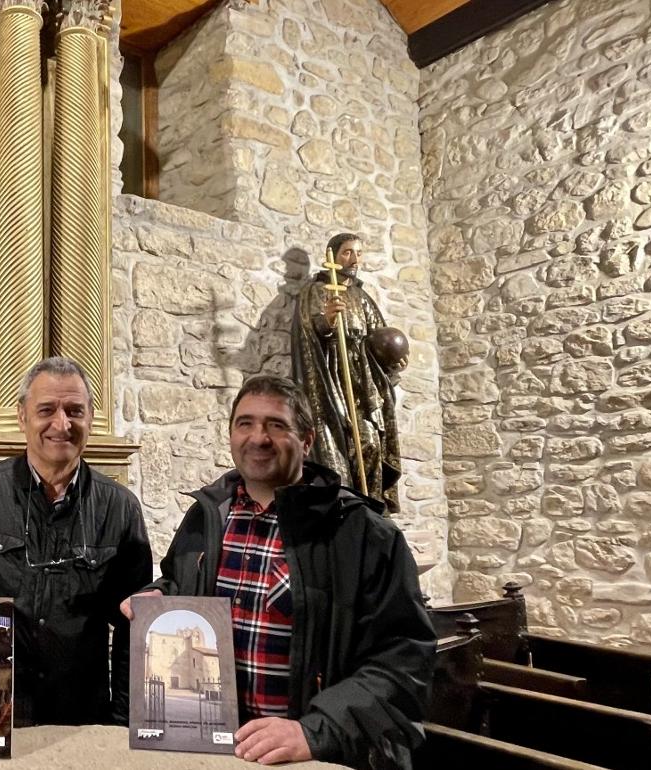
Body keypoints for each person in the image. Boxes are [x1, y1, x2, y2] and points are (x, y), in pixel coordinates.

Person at [121, 375, 434, 769]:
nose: (258, 437)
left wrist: (316, 731)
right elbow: (178, 581)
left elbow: (405, 660)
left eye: (276, 424)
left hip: (314, 756)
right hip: (217, 752)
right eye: (245, 423)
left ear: (307, 439)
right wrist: (161, 596)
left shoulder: (363, 534)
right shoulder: (206, 518)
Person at [0, 356, 152, 726]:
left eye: (75, 411)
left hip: (80, 712)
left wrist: (125, 717)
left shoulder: (120, 507)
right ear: (21, 416)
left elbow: (134, 620)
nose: (62, 424)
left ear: (91, 417)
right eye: (47, 409)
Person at [291, 233, 404, 513]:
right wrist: (327, 321)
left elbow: (381, 338)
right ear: (332, 255)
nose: (354, 259)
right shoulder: (316, 291)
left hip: (364, 383)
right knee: (339, 450)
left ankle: (373, 511)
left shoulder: (361, 296)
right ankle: (349, 511)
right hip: (332, 381)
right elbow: (309, 333)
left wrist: (393, 363)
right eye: (347, 253)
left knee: (371, 443)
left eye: (358, 253)